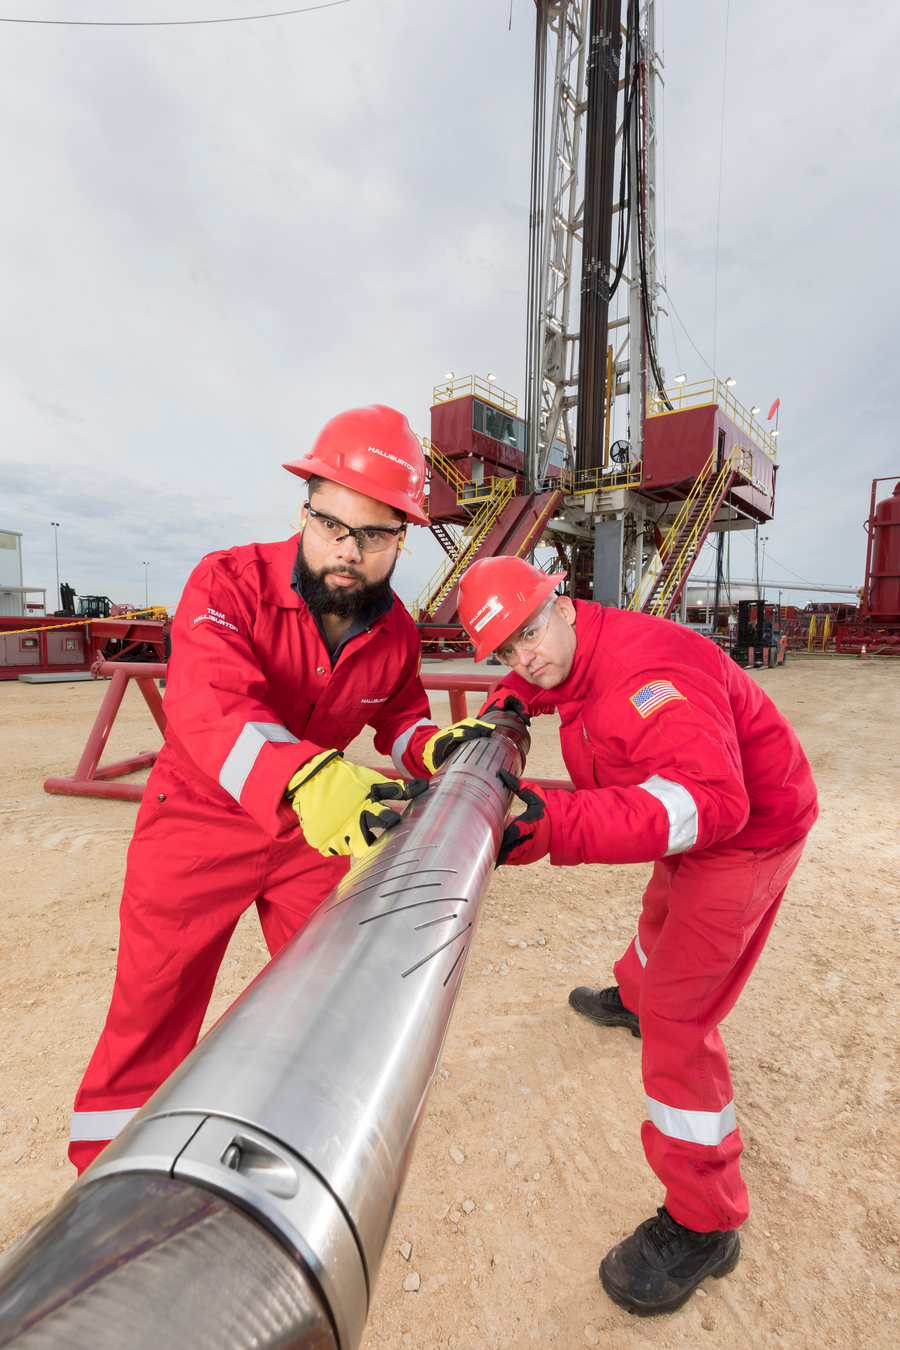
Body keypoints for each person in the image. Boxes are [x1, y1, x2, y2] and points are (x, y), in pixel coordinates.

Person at [68, 405, 492, 1173]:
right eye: (330, 524)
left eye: (371, 537)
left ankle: (286, 1152)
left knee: (327, 998)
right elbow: (212, 707)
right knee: (151, 1014)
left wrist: (432, 747)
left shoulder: (393, 629)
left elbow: (396, 718)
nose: (345, 551)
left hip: (308, 833)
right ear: (304, 509)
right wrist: (304, 777)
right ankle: (103, 1191)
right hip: (199, 820)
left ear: (403, 539)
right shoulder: (226, 582)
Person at [456, 555, 817, 1317]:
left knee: (683, 1019)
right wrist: (510, 705)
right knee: (661, 919)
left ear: (561, 599)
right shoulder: (569, 652)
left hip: (747, 830)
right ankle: (636, 996)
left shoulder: (647, 671)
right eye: (505, 651)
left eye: (528, 633)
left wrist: (552, 825)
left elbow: (711, 803)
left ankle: (703, 1221)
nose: (525, 657)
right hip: (704, 825)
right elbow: (540, 672)